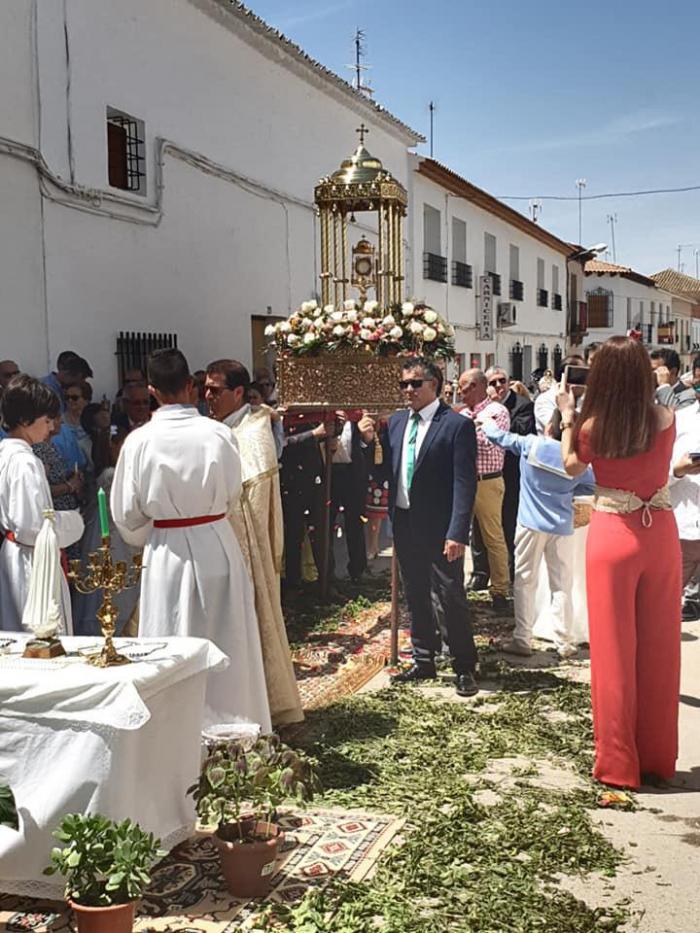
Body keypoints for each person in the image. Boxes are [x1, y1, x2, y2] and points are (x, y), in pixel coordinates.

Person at [111, 348, 271, 730]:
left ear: (151, 390)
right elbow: (233, 493)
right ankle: (236, 729)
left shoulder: (139, 441)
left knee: (171, 637)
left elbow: (125, 513)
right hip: (216, 542)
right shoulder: (217, 434)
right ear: (191, 386)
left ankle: (175, 735)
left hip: (167, 553)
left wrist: (154, 533)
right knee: (228, 638)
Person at [557, 336, 680, 789]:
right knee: (660, 650)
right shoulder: (665, 417)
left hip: (613, 532)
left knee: (613, 653)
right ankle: (657, 757)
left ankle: (617, 762)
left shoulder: (594, 426)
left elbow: (571, 466)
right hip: (659, 530)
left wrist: (568, 416)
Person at [372, 356, 479, 697]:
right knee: (415, 593)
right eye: (403, 384)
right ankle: (424, 659)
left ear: (435, 384)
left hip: (441, 526)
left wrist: (457, 532)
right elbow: (385, 472)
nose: (408, 390)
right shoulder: (398, 422)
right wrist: (364, 442)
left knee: (450, 596)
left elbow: (465, 483)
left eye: (415, 383)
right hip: (405, 522)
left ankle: (464, 664)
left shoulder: (456, 425)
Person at [205, 358, 302, 726]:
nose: (208, 396)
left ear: (239, 393)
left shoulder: (253, 432)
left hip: (245, 544)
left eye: (216, 390)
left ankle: (253, 706)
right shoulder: (216, 427)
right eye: (206, 389)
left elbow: (252, 503)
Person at [479, 411, 594, 658]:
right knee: (561, 583)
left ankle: (523, 637)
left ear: (549, 427)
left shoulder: (532, 444)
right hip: (562, 525)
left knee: (524, 581)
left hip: (530, 523)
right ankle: (564, 641)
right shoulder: (578, 461)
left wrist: (486, 422)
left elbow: (501, 437)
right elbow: (590, 485)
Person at [0, 376, 84, 631]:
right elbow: (33, 527)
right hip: (33, 563)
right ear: (26, 421)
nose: (51, 428)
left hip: (15, 555)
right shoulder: (26, 463)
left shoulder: (5, 454)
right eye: (46, 420)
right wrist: (73, 520)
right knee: (41, 637)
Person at [470, 366, 536, 587]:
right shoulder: (479, 410)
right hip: (484, 474)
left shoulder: (523, 405)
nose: (498, 385)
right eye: (493, 382)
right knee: (478, 529)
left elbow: (518, 435)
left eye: (502, 381)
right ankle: (480, 572)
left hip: (510, 473)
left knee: (505, 525)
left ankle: (508, 573)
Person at [458, 368, 511, 610]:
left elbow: (491, 445)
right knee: (456, 534)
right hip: (463, 480)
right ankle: (455, 586)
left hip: (487, 481)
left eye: (464, 387)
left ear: (478, 387)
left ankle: (500, 590)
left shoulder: (497, 411)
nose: (460, 392)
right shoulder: (464, 414)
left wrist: (466, 431)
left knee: (493, 537)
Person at [668, 356, 700, 601]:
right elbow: (656, 474)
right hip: (683, 528)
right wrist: (678, 471)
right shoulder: (678, 419)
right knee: (667, 600)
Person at [534, 354, 585, 434]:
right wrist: (567, 408)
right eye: (581, 375)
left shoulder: (587, 398)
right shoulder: (544, 400)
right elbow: (555, 429)